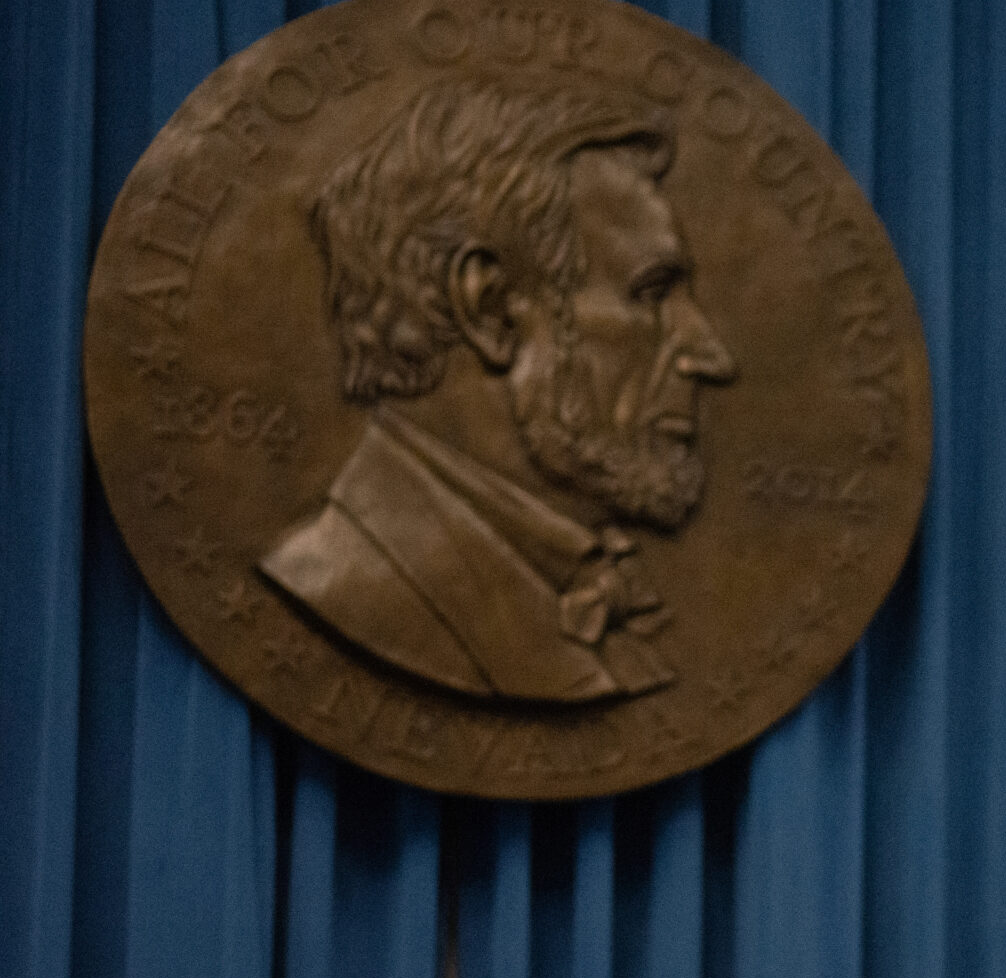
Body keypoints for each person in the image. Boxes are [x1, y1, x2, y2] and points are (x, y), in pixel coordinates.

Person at [262, 79, 737, 702]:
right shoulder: (349, 586)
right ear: (489, 310)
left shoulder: (594, 588)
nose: (711, 356)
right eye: (651, 293)